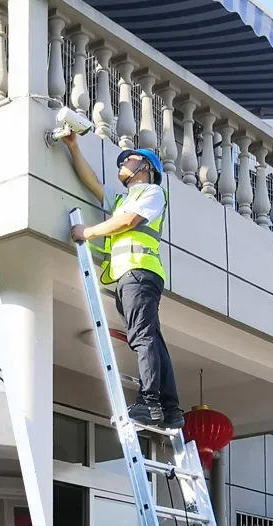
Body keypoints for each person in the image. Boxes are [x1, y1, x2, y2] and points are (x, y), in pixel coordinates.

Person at [64, 136, 183, 429]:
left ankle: (150, 403)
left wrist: (88, 232)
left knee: (143, 337)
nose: (122, 162)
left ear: (146, 167)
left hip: (139, 272)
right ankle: (170, 409)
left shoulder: (152, 193)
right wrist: (73, 147)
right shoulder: (121, 200)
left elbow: (128, 221)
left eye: (129, 159)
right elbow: (92, 183)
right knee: (152, 339)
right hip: (131, 275)